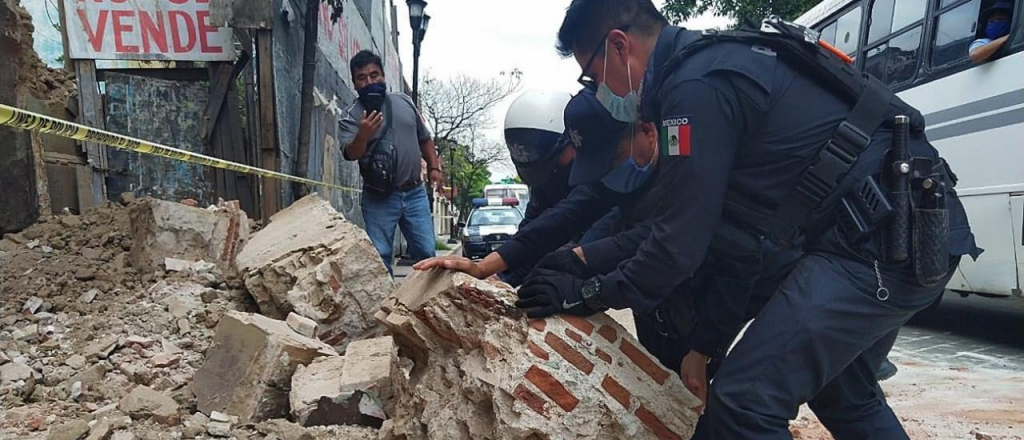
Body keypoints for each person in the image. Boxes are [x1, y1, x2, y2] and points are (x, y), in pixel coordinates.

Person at [533, 1, 981, 438]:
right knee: (844, 394)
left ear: (617, 45)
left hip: (877, 242)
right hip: (911, 226)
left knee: (744, 403)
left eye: (591, 75)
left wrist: (586, 294)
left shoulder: (693, 89)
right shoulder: (711, 65)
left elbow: (676, 246)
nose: (599, 88)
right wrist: (703, 344)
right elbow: (727, 240)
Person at [500, 89, 622, 286]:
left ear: (573, 139)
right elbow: (533, 234)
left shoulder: (600, 171)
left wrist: (571, 263)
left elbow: (608, 224)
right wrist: (501, 275)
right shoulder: (545, 181)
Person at [339, 50, 441, 276]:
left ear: (384, 76)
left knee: (426, 251)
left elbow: (424, 138)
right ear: (354, 82)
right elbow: (350, 153)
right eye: (362, 78)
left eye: (375, 75)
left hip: (414, 192)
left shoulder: (404, 102)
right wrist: (363, 134)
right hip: (378, 197)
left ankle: (425, 303)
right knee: (380, 256)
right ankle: (386, 307)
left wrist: (434, 167)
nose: (369, 82)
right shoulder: (351, 115)